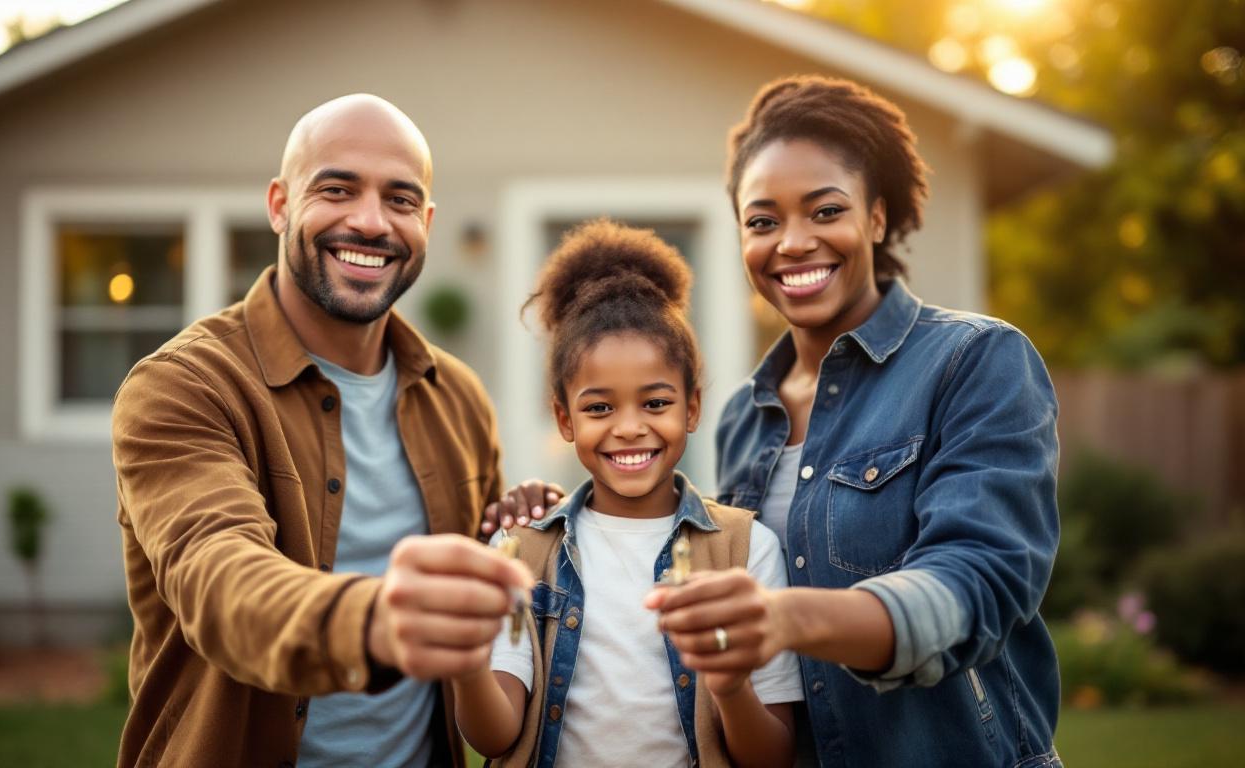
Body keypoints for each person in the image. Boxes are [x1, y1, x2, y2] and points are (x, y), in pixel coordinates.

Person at [644, 76, 1063, 767]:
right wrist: (557, 515)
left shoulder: (975, 360)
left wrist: (788, 618)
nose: (792, 242)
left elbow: (980, 579)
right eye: (762, 221)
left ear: (876, 217)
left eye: (825, 210)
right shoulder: (742, 416)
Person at [112, 94, 539, 767]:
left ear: (426, 222)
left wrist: (526, 536)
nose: (370, 222)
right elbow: (218, 580)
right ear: (280, 205)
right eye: (337, 190)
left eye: (400, 200)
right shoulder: (183, 386)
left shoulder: (457, 396)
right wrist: (376, 622)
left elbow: (488, 624)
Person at [454, 221, 804, 767]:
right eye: (599, 408)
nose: (629, 428)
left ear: (692, 408)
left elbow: (772, 755)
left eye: (656, 403)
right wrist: (465, 661)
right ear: (564, 419)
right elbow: (495, 737)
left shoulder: (746, 550)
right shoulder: (520, 553)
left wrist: (731, 685)